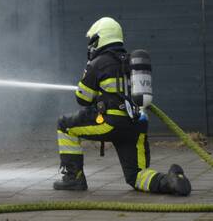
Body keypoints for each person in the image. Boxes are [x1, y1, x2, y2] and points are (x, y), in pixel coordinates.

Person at [53, 16, 191, 195]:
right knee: (136, 175)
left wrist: (87, 76)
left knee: (65, 125)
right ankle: (169, 182)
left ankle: (74, 178)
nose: (91, 46)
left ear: (100, 38)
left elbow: (83, 99)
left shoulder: (97, 63)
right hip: (136, 125)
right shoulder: (130, 62)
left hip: (109, 123)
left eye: (92, 41)